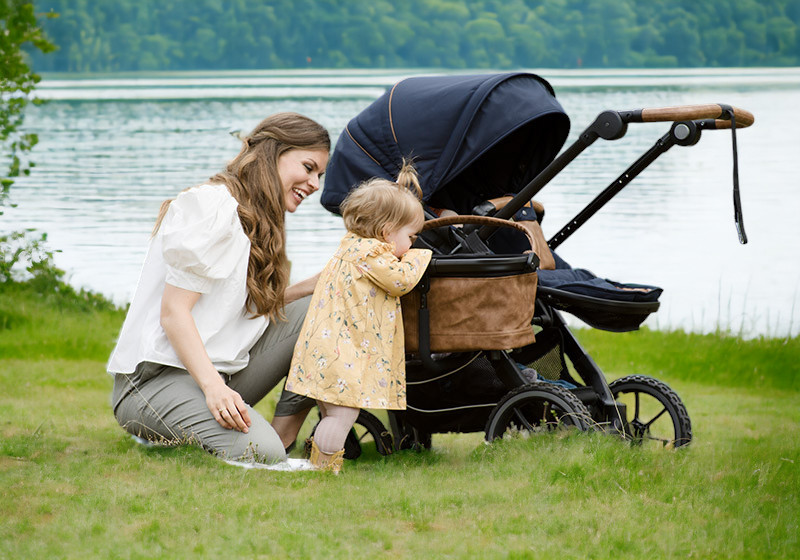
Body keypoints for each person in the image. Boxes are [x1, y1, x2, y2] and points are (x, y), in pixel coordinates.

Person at [107, 112, 329, 464]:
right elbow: (173, 313)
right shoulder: (211, 205)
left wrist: (314, 286)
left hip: (221, 372)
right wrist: (213, 390)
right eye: (308, 167)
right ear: (273, 153)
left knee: (323, 308)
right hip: (153, 383)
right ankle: (246, 440)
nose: (314, 184)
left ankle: (282, 437)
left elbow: (241, 307)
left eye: (319, 175)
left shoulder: (258, 217)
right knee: (261, 453)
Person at [285, 163, 433, 473]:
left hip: (327, 350)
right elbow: (401, 281)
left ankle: (322, 462)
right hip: (341, 355)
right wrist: (421, 256)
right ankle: (323, 469)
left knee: (334, 415)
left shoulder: (350, 246)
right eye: (411, 237)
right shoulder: (374, 255)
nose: (412, 245)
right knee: (340, 417)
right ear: (385, 233)